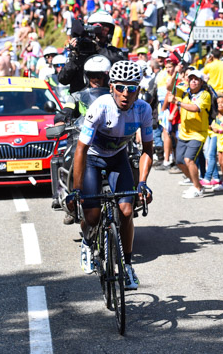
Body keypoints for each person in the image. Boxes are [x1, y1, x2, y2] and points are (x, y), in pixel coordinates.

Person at [70, 60, 154, 290]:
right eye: (120, 87)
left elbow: (147, 151)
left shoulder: (143, 110)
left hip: (118, 158)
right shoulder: (100, 107)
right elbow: (81, 149)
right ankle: (87, 242)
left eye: (132, 88)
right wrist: (77, 189)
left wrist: (143, 183)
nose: (125, 93)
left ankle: (127, 266)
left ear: (138, 89)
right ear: (111, 88)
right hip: (92, 159)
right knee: (93, 215)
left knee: (127, 211)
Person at [165, 68, 212, 198]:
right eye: (191, 79)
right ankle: (196, 184)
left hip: (198, 133)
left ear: (201, 82)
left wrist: (177, 102)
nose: (193, 81)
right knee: (179, 161)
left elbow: (195, 108)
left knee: (188, 159)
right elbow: (169, 87)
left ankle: (198, 189)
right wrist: (175, 71)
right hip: (184, 133)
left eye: (196, 79)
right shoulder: (184, 90)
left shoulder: (205, 95)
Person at [58, 11, 126, 93]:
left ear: (110, 32)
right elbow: (63, 79)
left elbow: (122, 64)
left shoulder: (112, 51)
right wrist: (74, 56)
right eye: (98, 28)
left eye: (105, 29)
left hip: (104, 97)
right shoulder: (81, 49)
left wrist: (98, 48)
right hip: (80, 99)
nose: (101, 32)